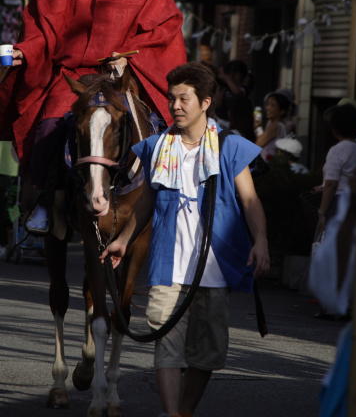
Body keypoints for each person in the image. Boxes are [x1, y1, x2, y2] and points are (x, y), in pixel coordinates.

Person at [0, 0, 186, 233]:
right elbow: (46, 25)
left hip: (125, 75)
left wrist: (129, 56)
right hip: (75, 75)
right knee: (48, 125)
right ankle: (43, 200)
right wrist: (26, 50)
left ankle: (165, 199)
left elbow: (165, 30)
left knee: (160, 127)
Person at [100, 61, 270, 417]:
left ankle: (183, 411)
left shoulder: (230, 146)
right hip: (169, 266)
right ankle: (172, 413)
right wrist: (124, 240)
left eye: (183, 99)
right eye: (171, 98)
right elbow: (147, 199)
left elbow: (250, 200)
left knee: (207, 353)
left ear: (205, 102)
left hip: (215, 268)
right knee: (167, 346)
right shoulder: (157, 146)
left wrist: (261, 242)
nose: (175, 106)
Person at [315, 104, 356, 240]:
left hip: (338, 204)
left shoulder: (336, 150)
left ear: (334, 128)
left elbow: (331, 183)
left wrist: (322, 212)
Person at [215, 60, 255, 140]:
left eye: (235, 73)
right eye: (230, 73)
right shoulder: (225, 88)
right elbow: (218, 104)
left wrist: (227, 77)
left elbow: (237, 93)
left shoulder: (245, 87)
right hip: (226, 124)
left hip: (242, 129)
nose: (232, 76)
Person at [255, 90, 291, 162]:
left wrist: (257, 125)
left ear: (281, 111)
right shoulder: (272, 123)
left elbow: (258, 144)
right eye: (268, 104)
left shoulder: (275, 125)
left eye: (272, 105)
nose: (267, 108)